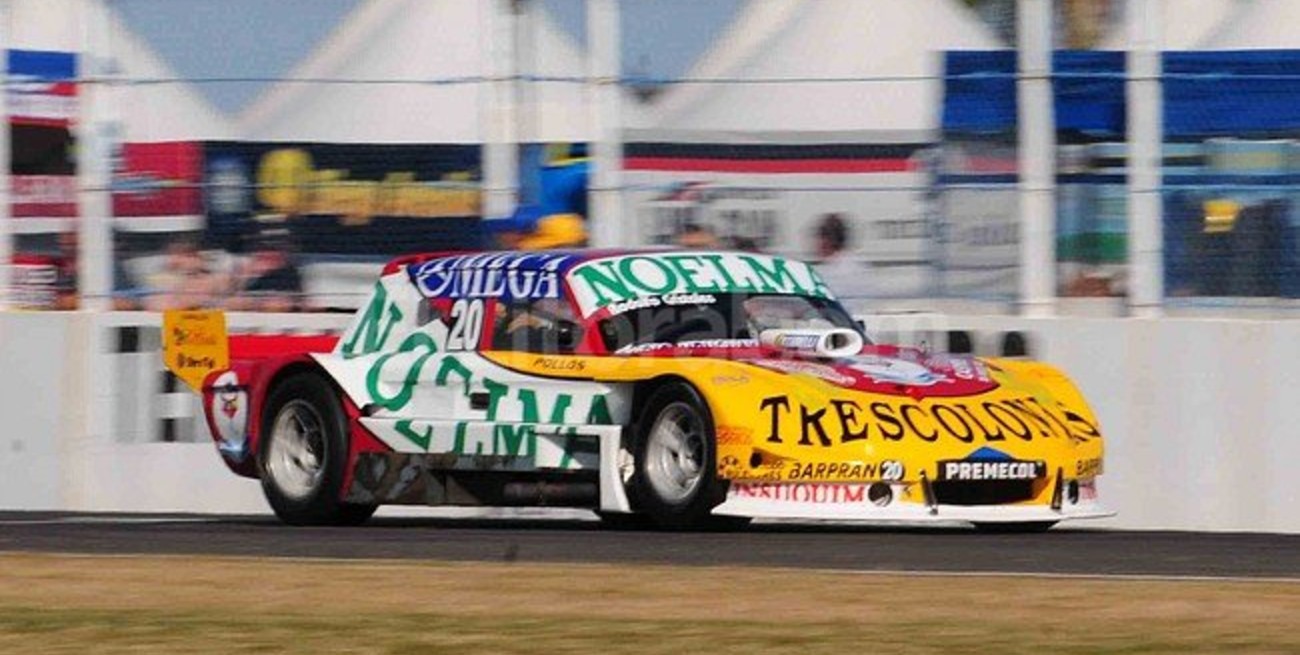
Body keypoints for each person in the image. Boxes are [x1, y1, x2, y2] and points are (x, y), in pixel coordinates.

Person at [229, 228, 304, 312]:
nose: (267, 253)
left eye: (274, 249)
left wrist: (255, 303)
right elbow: (233, 301)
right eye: (262, 248)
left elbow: (284, 303)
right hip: (241, 318)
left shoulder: (289, 274)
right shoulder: (243, 270)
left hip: (273, 319)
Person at [810, 213, 861, 298]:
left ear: (828, 241)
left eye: (818, 238)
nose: (815, 244)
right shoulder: (856, 265)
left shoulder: (831, 274)